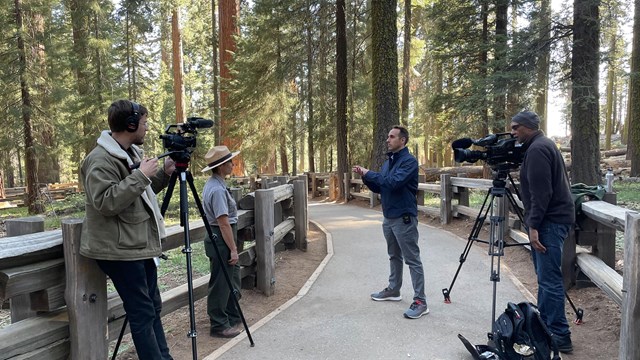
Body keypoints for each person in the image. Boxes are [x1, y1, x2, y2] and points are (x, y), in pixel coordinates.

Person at [80, 99, 175, 360]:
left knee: (152, 306)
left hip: (137, 245)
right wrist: (141, 176)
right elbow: (106, 202)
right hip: (119, 250)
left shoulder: (129, 153)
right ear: (130, 124)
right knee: (142, 311)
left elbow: (136, 195)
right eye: (143, 123)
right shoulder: (99, 160)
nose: (146, 128)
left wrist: (163, 174)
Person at [510, 110, 575, 353]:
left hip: (549, 222)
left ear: (528, 127)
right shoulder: (543, 145)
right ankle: (546, 327)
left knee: (549, 281)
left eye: (516, 127)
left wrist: (533, 225)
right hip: (553, 219)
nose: (513, 132)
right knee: (546, 279)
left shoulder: (537, 150)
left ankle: (559, 334)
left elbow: (541, 194)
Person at [352, 125, 429, 319]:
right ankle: (394, 290)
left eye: (392, 136)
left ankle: (421, 301)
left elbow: (394, 182)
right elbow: (381, 186)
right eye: (388, 136)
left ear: (402, 140)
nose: (388, 139)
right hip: (388, 217)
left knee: (412, 259)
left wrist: (370, 173)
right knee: (394, 255)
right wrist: (366, 176)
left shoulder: (409, 162)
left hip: (404, 218)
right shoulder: (388, 162)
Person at [201, 145, 245, 338]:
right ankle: (218, 324)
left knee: (231, 277)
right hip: (222, 238)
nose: (232, 164)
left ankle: (230, 316)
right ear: (220, 167)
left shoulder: (216, 184)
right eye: (229, 162)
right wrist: (233, 248)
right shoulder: (217, 189)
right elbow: (223, 222)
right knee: (221, 281)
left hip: (221, 238)